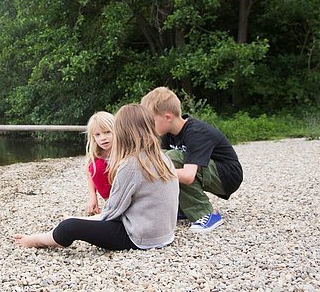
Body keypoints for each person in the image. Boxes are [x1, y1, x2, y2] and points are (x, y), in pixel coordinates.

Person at [14, 104, 179, 250]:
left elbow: (111, 213)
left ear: (123, 132)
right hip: (165, 233)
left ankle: (37, 240)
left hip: (141, 237)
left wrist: (78, 220)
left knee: (69, 227)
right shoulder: (163, 158)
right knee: (81, 221)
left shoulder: (131, 165)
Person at [141, 87, 243, 233]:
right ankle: (183, 208)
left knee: (171, 159)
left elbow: (188, 176)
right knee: (163, 158)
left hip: (227, 176)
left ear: (168, 117)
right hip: (206, 171)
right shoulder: (168, 134)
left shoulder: (195, 132)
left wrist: (155, 172)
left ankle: (205, 214)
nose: (149, 126)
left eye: (152, 121)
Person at [84, 111, 115, 215]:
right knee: (96, 166)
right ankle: (110, 204)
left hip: (125, 190)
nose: (103, 138)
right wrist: (93, 197)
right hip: (110, 194)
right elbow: (89, 174)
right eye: (98, 134)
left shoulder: (124, 151)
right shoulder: (96, 154)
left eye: (107, 132)